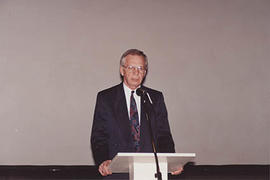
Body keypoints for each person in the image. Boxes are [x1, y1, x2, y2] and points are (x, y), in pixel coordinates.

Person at [91, 49, 183, 178]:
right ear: (122, 70)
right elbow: (99, 136)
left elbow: (164, 135)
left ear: (145, 72)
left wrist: (171, 162)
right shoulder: (106, 98)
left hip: (151, 172)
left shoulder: (155, 98)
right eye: (131, 67)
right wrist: (103, 161)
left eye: (140, 68)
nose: (136, 72)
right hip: (117, 172)